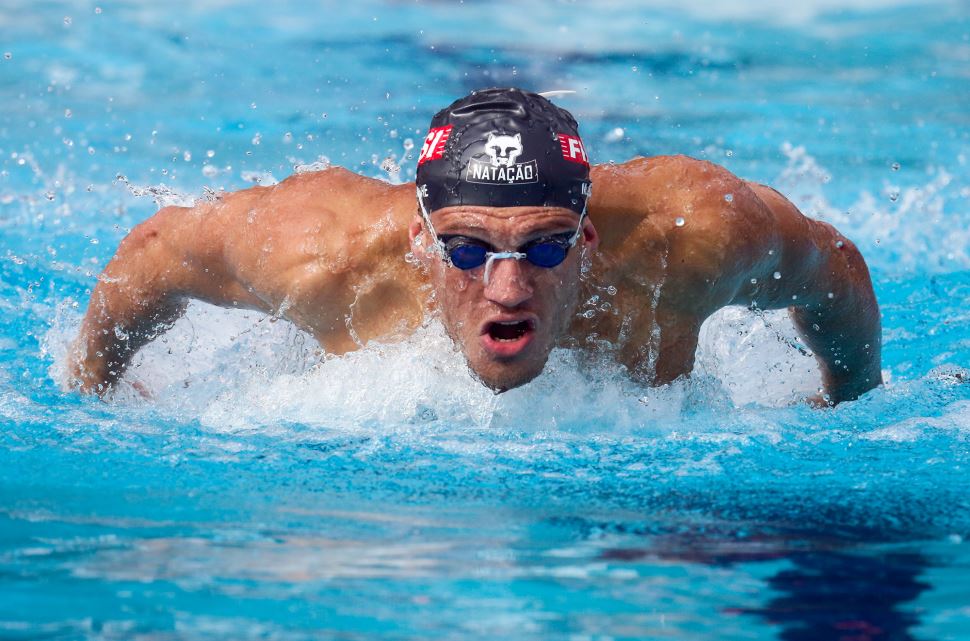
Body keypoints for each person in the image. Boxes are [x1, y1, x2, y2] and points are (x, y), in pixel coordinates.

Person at [67, 88, 882, 405]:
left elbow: (835, 272)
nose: (507, 287)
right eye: (466, 251)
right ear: (421, 242)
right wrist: (95, 387)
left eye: (546, 248)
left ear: (589, 240)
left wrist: (847, 401)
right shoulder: (324, 258)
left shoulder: (692, 236)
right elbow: (153, 251)